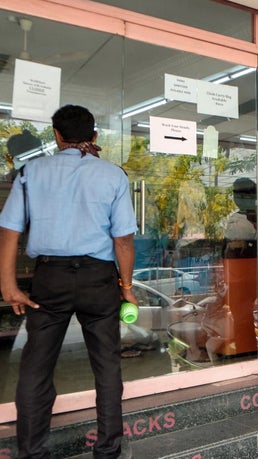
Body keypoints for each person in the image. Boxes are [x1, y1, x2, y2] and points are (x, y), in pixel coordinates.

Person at [0, 105, 138, 459]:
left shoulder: (31, 172)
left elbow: (9, 230)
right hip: (98, 280)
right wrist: (127, 289)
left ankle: (32, 452)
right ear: (94, 137)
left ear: (56, 136)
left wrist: (8, 285)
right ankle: (108, 451)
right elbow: (123, 241)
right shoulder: (112, 175)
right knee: (107, 367)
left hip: (49, 279)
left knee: (36, 367)